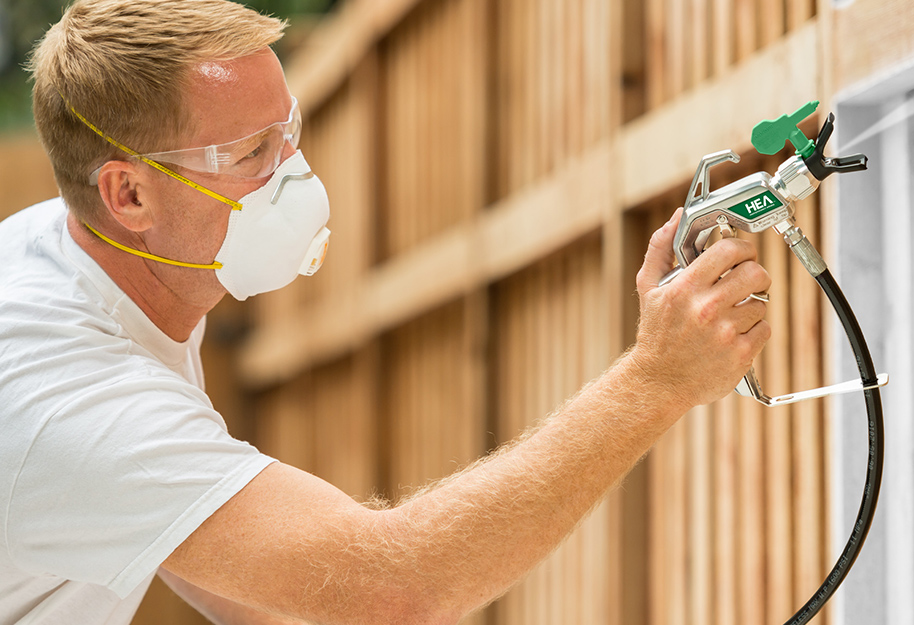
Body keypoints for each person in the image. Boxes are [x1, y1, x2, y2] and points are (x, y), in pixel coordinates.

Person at [0, 0, 772, 623]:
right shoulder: (65, 392)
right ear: (127, 194)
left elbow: (200, 547)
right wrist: (654, 380)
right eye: (248, 154)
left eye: (288, 133)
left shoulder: (80, 264)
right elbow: (392, 590)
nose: (293, 175)